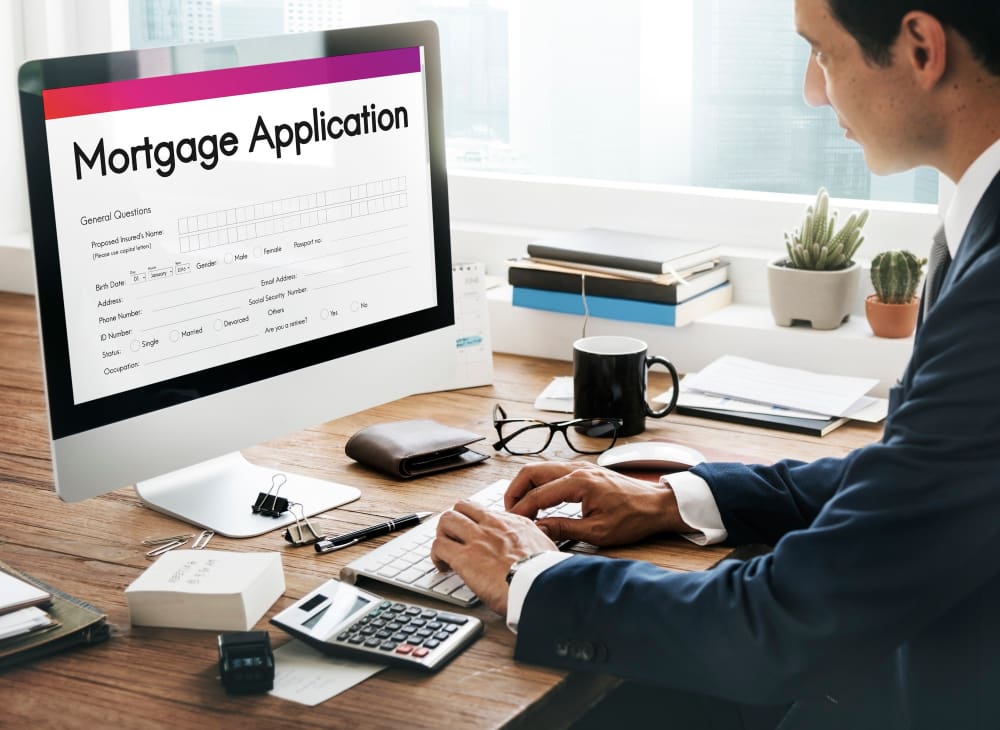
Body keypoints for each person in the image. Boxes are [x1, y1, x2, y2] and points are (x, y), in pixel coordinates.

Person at [430, 1, 1000, 727]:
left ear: (921, 48)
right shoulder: (978, 218)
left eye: (821, 52)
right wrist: (679, 499)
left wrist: (532, 576)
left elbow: (785, 627)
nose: (811, 91)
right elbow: (920, 476)